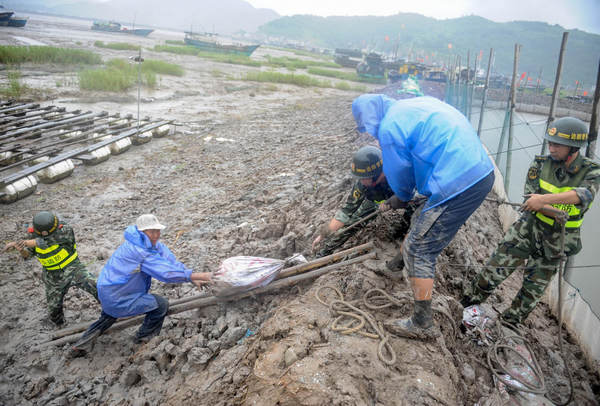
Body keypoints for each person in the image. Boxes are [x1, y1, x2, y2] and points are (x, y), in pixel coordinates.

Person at [351, 94, 495, 339]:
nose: (369, 133)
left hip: (457, 181)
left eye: (366, 126)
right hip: (476, 171)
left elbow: (400, 173)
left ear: (371, 116)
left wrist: (401, 196)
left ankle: (422, 323)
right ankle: (395, 267)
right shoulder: (411, 106)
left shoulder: (389, 128)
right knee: (422, 219)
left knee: (420, 249)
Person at [462, 117, 599, 325]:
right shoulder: (540, 164)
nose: (551, 148)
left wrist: (542, 200)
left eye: (556, 145)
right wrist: (554, 206)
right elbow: (530, 198)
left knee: (533, 290)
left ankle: (509, 324)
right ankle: (467, 304)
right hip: (527, 230)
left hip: (556, 243)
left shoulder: (591, 171)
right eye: (550, 143)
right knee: (493, 270)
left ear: (573, 147)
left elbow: (581, 198)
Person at [72, 214, 211, 351]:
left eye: (158, 231)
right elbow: (166, 274)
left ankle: (81, 345)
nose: (156, 235)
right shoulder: (138, 251)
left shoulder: (148, 244)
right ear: (142, 232)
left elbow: (171, 263)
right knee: (160, 305)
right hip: (116, 294)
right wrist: (205, 276)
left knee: (109, 315)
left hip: (114, 289)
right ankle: (143, 339)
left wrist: (193, 278)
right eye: (152, 231)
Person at [312, 145, 415, 264]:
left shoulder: (400, 173)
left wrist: (400, 199)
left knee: (414, 214)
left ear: (378, 174)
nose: (361, 182)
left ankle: (403, 236)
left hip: (406, 196)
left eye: (364, 178)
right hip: (376, 201)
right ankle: (321, 256)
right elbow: (346, 211)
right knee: (353, 223)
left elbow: (421, 194)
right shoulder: (363, 184)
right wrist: (324, 234)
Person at [4, 211, 99, 326]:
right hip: (52, 277)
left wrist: (22, 242)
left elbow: (46, 241)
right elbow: (28, 255)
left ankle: (111, 310)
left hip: (73, 269)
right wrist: (21, 250)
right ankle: (60, 326)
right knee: (54, 311)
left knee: (97, 287)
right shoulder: (32, 237)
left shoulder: (65, 230)